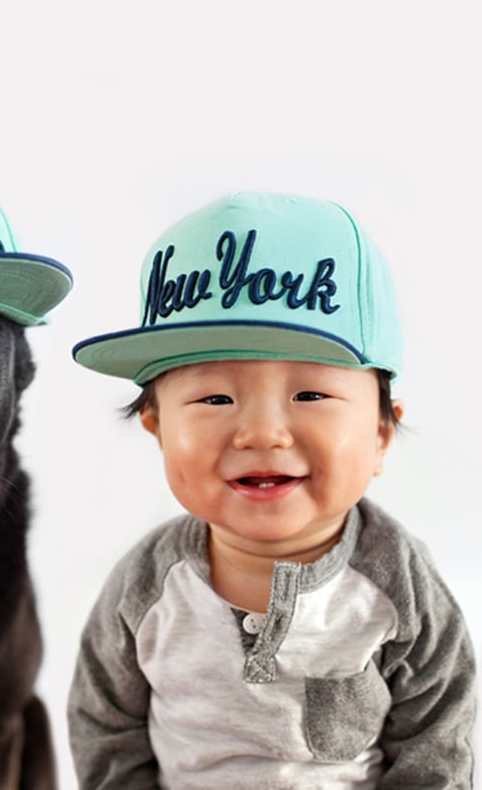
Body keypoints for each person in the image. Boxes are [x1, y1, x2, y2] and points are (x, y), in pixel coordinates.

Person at [67, 191, 476, 788]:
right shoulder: (148, 588)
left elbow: (437, 742)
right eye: (213, 398)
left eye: (309, 395)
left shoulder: (399, 586)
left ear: (382, 432)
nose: (260, 432)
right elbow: (104, 727)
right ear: (157, 428)